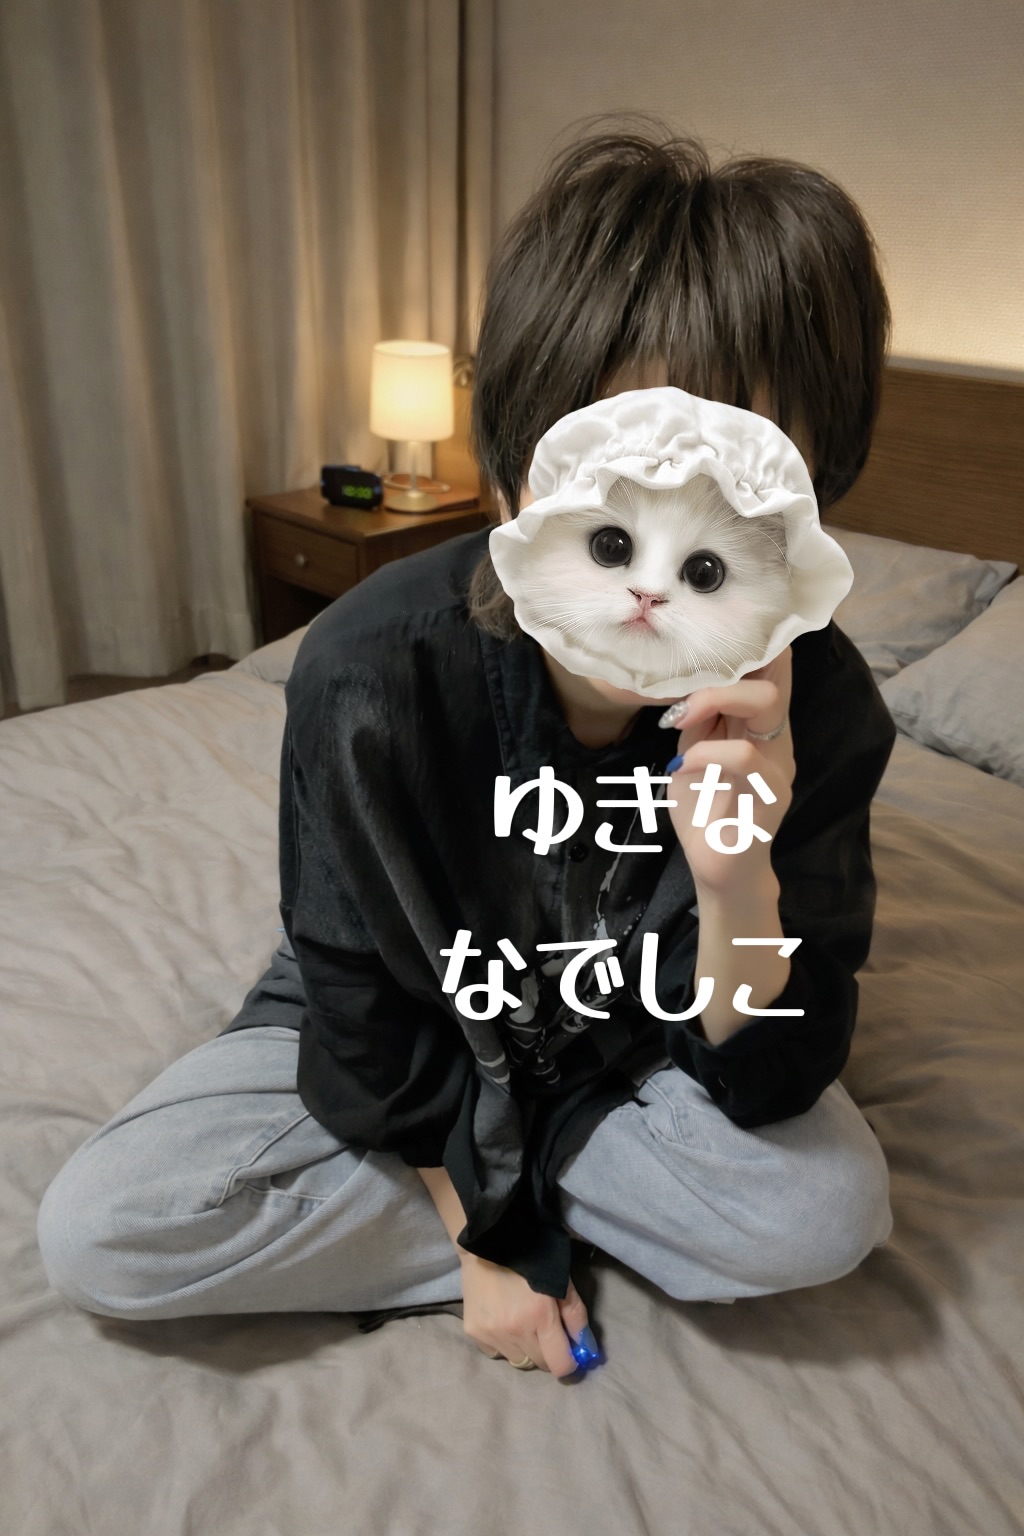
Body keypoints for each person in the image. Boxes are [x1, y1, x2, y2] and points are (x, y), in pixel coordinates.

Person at [36, 124, 896, 1382]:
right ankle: (559, 1196)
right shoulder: (371, 665)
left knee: (823, 1215)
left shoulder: (821, 704)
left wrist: (734, 879)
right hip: (416, 994)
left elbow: (767, 1076)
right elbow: (360, 1005)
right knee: (108, 1231)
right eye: (605, 481)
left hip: (631, 1043)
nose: (650, 574)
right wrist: (478, 1231)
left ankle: (544, 1163)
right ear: (509, 471)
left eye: (726, 497)